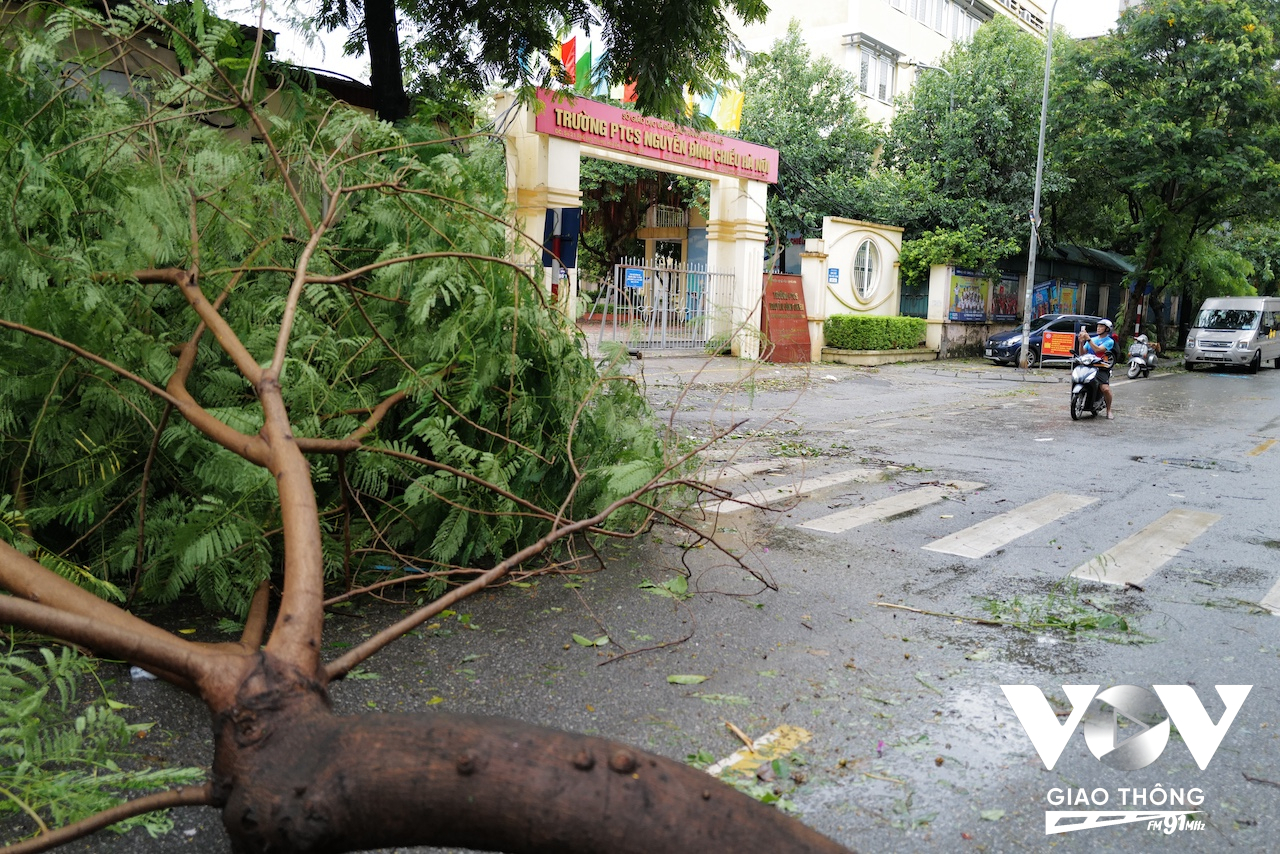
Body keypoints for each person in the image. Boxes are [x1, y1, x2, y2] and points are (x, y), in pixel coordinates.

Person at [1077, 318, 1116, 419]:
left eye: (1101, 326)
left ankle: (1109, 410)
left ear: (1107, 329)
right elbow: (1082, 353)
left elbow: (1098, 350)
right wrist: (1081, 342)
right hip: (1088, 366)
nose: (1099, 328)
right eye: (1098, 326)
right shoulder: (1093, 339)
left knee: (1105, 389)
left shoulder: (1109, 341)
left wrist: (1088, 339)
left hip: (1101, 367)